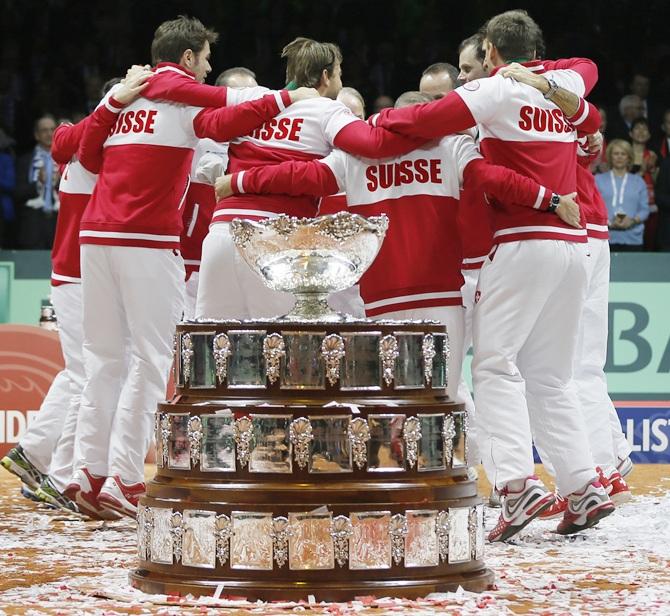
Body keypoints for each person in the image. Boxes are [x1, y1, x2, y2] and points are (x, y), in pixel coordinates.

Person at [370, 9, 613, 540]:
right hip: (573, 247)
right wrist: (550, 84)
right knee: (551, 375)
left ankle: (515, 486)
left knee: (496, 367)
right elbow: (588, 72)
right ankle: (583, 485)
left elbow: (422, 122)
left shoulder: (497, 90)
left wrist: (377, 119)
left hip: (522, 243)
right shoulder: (560, 84)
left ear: (491, 53)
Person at [66, 16, 318, 519]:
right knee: (152, 360)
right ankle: (126, 479)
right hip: (146, 238)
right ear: (187, 58)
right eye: (205, 60)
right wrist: (291, 96)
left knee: (103, 360)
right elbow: (235, 106)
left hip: (94, 238)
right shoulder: (179, 90)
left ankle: (87, 475)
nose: (208, 70)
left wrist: (112, 102)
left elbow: (86, 157)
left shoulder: (125, 94)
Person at [214, 89, 582, 408]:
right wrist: (548, 200)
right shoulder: (453, 147)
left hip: (382, 301)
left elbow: (300, 177)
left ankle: (397, 484)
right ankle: (457, 480)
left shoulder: (355, 156)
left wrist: (240, 180)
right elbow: (493, 178)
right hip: (441, 296)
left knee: (389, 400)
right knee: (445, 399)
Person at [195, 36, 423, 320]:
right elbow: (373, 144)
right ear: (326, 76)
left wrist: (240, 180)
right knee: (280, 348)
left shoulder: (258, 99)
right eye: (339, 72)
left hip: (221, 234)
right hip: (274, 239)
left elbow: (208, 124)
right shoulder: (327, 110)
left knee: (209, 343)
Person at [0, 76, 143, 518]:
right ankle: (58, 474)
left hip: (78, 272)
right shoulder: (92, 143)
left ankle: (39, 457)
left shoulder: (95, 143)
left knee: (83, 372)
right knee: (90, 373)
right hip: (81, 275)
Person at [181, 67, 258, 319]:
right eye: (239, 95)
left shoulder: (264, 144)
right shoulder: (195, 138)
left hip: (249, 259)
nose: (245, 103)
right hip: (194, 262)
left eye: (252, 96)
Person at [15, 114, 60, 248]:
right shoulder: (24, 161)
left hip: (59, 225)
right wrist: (38, 183)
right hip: (32, 227)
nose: (49, 134)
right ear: (36, 135)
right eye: (44, 130)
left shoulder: (68, 159)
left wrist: (58, 183)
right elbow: (17, 193)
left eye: (52, 129)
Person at [596, 139, 650, 251]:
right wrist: (608, 223)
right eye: (616, 154)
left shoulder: (639, 181)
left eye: (623, 154)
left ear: (629, 157)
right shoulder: (597, 180)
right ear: (610, 157)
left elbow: (645, 209)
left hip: (634, 239)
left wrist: (632, 221)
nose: (619, 157)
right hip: (605, 239)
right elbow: (594, 208)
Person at [629, 117, 659, 249]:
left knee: (651, 243)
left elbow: (659, 183)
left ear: (649, 135)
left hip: (650, 205)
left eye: (644, 129)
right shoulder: (623, 154)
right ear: (630, 133)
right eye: (637, 128)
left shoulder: (653, 156)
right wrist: (641, 171)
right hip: (629, 205)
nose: (641, 132)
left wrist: (653, 171)